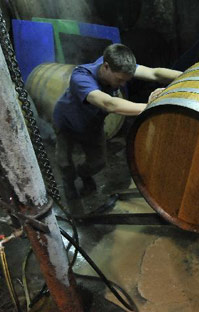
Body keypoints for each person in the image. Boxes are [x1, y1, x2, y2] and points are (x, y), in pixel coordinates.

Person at [53, 43, 182, 206]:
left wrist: (190, 75)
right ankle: (69, 183)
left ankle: (84, 174)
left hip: (92, 125)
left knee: (98, 163)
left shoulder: (118, 65)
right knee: (64, 160)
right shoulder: (81, 77)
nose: (122, 84)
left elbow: (155, 73)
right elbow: (109, 104)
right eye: (119, 80)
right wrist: (152, 107)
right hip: (67, 124)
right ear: (105, 67)